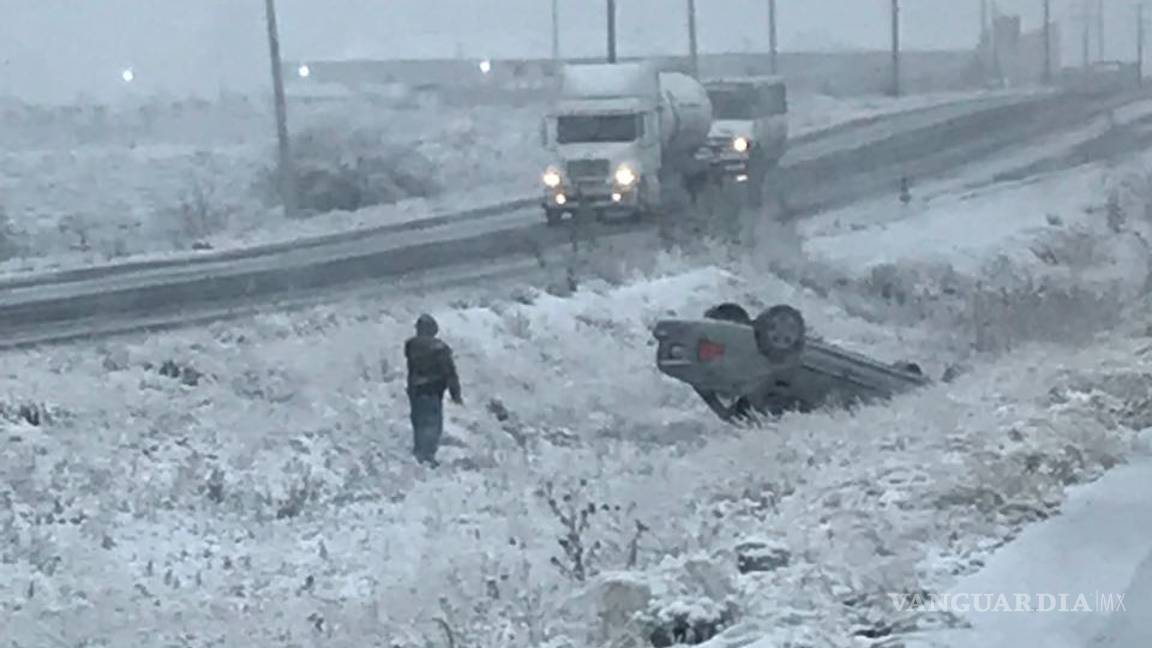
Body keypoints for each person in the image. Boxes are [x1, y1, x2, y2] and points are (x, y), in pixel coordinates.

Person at [404, 314, 462, 467]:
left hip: (415, 392)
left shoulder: (411, 345)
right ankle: (427, 457)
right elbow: (450, 373)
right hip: (432, 392)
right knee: (432, 424)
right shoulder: (440, 348)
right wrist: (455, 394)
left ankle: (419, 454)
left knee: (419, 423)